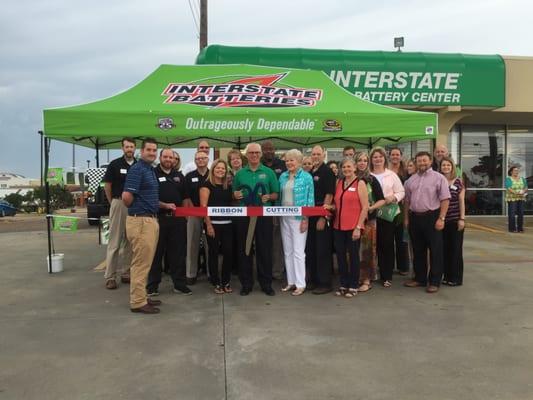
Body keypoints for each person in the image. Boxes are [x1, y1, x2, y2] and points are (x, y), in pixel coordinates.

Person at [233, 143, 280, 296]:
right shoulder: (240, 174)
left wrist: (269, 197)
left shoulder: (269, 173)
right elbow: (233, 193)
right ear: (246, 155)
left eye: (256, 152)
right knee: (244, 249)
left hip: (263, 216)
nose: (254, 155)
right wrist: (235, 195)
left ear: (260, 154)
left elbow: (276, 194)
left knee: (264, 249)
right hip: (244, 215)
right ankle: (246, 283)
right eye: (251, 152)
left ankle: (266, 283)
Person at [122, 138, 161, 314]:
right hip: (141, 222)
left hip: (149, 220)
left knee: (146, 262)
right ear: (141, 151)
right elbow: (126, 197)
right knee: (140, 263)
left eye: (154, 150)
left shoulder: (149, 169)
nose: (152, 153)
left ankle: (142, 296)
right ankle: (138, 302)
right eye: (149, 150)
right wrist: (139, 210)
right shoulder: (137, 169)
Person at [403, 151, 450, 294]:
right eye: (419, 161)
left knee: (435, 250)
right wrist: (406, 219)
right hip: (415, 218)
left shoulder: (439, 178)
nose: (422, 163)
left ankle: (434, 281)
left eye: (424, 160)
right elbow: (407, 201)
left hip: (432, 217)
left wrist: (441, 218)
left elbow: (445, 199)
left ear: (430, 161)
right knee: (418, 250)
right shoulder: (410, 180)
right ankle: (420, 278)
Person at [146, 148, 191, 297]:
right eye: (165, 157)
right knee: (156, 253)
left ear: (174, 160)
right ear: (160, 157)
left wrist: (184, 215)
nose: (168, 160)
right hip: (158, 218)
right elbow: (149, 197)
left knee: (178, 253)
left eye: (171, 158)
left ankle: (180, 284)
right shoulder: (152, 173)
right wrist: (164, 205)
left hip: (177, 220)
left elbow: (185, 197)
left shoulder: (179, 176)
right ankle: (152, 286)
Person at [325, 158, 368, 298]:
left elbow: (365, 207)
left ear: (355, 168)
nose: (346, 169)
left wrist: (358, 226)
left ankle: (354, 285)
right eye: (344, 167)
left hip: (353, 227)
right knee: (341, 257)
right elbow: (336, 205)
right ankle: (343, 284)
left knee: (354, 257)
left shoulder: (360, 183)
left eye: (349, 167)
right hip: (338, 226)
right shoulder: (339, 183)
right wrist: (329, 207)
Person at [278, 149, 314, 296]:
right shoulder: (283, 176)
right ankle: (291, 281)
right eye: (287, 160)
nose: (289, 163)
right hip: (284, 216)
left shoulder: (306, 177)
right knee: (288, 251)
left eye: (292, 160)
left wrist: (305, 218)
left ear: (299, 162)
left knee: (299, 251)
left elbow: (309, 199)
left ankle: (300, 283)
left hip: (299, 218)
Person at [102, 137, 136, 290]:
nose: (129, 149)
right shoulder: (115, 164)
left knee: (130, 241)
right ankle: (110, 276)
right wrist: (113, 203)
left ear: (135, 148)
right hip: (119, 203)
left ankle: (126, 272)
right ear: (122, 148)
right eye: (127, 147)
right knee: (115, 242)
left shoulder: (138, 165)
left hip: (135, 206)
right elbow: (107, 186)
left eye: (132, 147)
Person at [369, 147, 405, 288]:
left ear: (385, 158)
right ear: (371, 159)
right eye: (375, 157)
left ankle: (386, 275)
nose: (378, 159)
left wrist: (394, 197)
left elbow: (401, 191)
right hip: (370, 213)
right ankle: (371, 274)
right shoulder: (368, 175)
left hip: (387, 214)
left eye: (380, 157)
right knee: (371, 245)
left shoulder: (391, 175)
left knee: (386, 244)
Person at [200, 159, 234, 294]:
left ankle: (226, 281)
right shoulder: (206, 185)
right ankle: (216, 282)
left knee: (228, 253)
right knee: (213, 253)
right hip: (213, 225)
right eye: (218, 168)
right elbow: (204, 207)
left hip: (228, 225)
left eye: (223, 168)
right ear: (213, 169)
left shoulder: (228, 186)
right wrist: (208, 225)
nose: (221, 170)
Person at [306, 145, 336, 295]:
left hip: (321, 216)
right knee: (311, 249)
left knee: (322, 250)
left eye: (318, 154)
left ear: (324, 155)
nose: (316, 156)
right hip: (310, 215)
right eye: (313, 154)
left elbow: (329, 195)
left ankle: (325, 283)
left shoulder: (327, 172)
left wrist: (323, 217)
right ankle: (314, 280)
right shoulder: (310, 172)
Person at [355, 151, 385, 292]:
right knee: (353, 251)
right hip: (351, 220)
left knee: (367, 251)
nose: (362, 163)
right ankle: (355, 277)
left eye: (364, 160)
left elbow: (382, 199)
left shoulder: (371, 179)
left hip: (368, 220)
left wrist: (370, 208)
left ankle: (367, 279)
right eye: (359, 160)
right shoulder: (349, 178)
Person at [261, 140, 287, 281]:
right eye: (266, 149)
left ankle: (277, 271)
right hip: (261, 209)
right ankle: (263, 269)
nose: (269, 151)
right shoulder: (258, 165)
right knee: (264, 241)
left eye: (271, 149)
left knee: (277, 241)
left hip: (280, 208)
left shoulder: (282, 165)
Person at [184, 151, 210, 285]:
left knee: (210, 244)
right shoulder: (189, 177)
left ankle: (211, 272)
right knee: (192, 244)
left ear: (208, 159)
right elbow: (186, 197)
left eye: (203, 158)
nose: (200, 160)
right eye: (198, 158)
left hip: (209, 215)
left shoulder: (213, 174)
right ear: (195, 161)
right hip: (193, 213)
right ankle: (191, 274)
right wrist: (189, 214)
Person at [440, 157, 465, 286]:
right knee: (445, 249)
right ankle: (446, 276)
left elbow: (461, 201)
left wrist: (462, 219)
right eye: (443, 165)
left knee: (455, 249)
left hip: (455, 220)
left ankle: (456, 278)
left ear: (452, 167)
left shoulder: (458, 182)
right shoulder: (439, 181)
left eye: (448, 165)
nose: (445, 167)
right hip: (443, 221)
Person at [388, 147, 409, 276]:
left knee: (402, 239)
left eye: (397, 154)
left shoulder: (406, 171)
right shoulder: (386, 170)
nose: (395, 156)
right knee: (388, 239)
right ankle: (388, 266)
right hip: (388, 207)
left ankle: (403, 266)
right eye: (393, 154)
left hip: (402, 208)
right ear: (389, 156)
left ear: (401, 156)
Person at [227, 149, 244, 275]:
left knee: (241, 239)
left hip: (244, 210)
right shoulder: (226, 175)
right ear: (230, 162)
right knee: (230, 239)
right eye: (233, 159)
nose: (236, 160)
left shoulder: (246, 173)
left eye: (237, 158)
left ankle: (241, 266)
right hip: (230, 210)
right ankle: (232, 266)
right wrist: (231, 195)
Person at [505, 165, 528, 233]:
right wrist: (516, 193)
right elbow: (509, 188)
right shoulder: (508, 179)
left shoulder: (522, 179)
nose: (516, 171)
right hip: (512, 199)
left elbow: (526, 187)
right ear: (511, 172)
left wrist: (524, 191)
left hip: (521, 198)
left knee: (521, 213)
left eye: (517, 170)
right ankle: (512, 229)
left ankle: (520, 228)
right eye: (515, 170)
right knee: (512, 214)